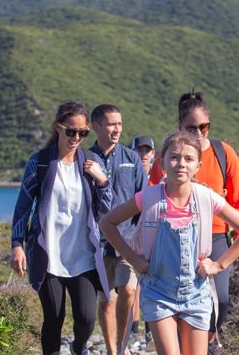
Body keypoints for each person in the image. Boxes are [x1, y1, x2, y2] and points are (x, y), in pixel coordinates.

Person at [99, 131, 239, 355]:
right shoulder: (149, 197)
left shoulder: (206, 197)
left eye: (189, 159)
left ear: (198, 166)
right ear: (162, 162)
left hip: (196, 291)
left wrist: (219, 265)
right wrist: (133, 259)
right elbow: (107, 223)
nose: (181, 164)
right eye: (174, 157)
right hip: (158, 291)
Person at [149, 91, 239, 354]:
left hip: (215, 236)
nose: (199, 132)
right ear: (180, 125)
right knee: (175, 299)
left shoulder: (223, 153)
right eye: (192, 127)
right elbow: (151, 198)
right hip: (172, 237)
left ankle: (204, 345)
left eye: (204, 126)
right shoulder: (170, 156)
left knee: (221, 300)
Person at [10, 101, 112, 355]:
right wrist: (17, 244)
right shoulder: (40, 163)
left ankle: (79, 347)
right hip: (49, 255)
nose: (77, 137)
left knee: (87, 318)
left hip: (83, 256)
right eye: (71, 131)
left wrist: (102, 180)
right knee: (54, 318)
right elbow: (23, 206)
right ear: (58, 128)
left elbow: (108, 210)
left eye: (83, 133)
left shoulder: (92, 162)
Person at [89, 105, 148, 355]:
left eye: (120, 124)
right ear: (97, 126)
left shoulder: (132, 158)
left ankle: (122, 348)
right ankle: (113, 351)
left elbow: (144, 199)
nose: (117, 129)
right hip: (97, 244)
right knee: (105, 300)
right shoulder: (85, 158)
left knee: (127, 291)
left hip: (127, 241)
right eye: (112, 124)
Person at [130, 134, 156, 348]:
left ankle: (149, 332)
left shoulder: (160, 178)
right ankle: (132, 329)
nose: (144, 154)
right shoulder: (129, 176)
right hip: (132, 236)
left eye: (147, 150)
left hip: (154, 237)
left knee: (150, 283)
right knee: (133, 285)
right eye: (140, 150)